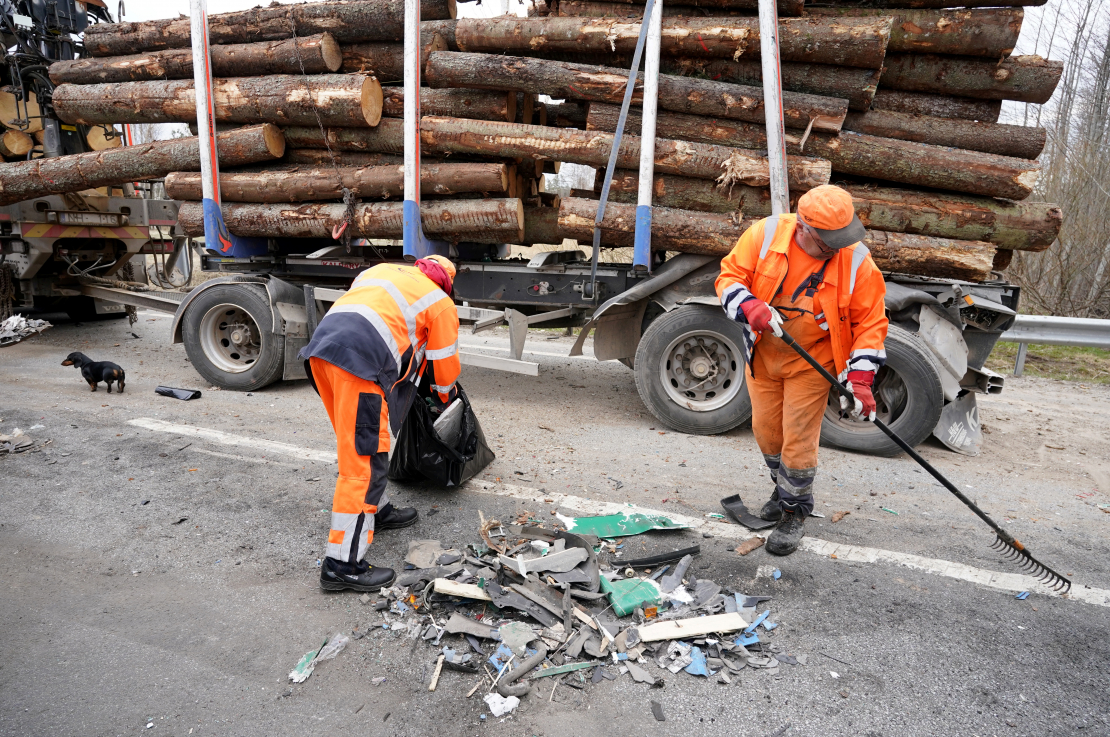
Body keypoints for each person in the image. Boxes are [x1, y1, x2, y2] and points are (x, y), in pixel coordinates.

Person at [715, 185, 888, 555]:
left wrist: (860, 379)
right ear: (803, 229)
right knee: (767, 434)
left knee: (797, 439)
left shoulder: (857, 261)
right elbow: (729, 277)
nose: (836, 249)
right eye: (828, 242)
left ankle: (794, 512)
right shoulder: (765, 235)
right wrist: (749, 306)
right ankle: (782, 493)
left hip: (813, 360)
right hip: (763, 353)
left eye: (841, 239)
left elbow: (871, 323)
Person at [300, 255, 461, 591]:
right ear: (447, 282)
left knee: (363, 444)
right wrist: (444, 398)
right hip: (361, 365)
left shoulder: (382, 270)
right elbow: (444, 371)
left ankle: (377, 510)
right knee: (365, 463)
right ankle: (342, 565)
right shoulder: (440, 301)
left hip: (322, 354)